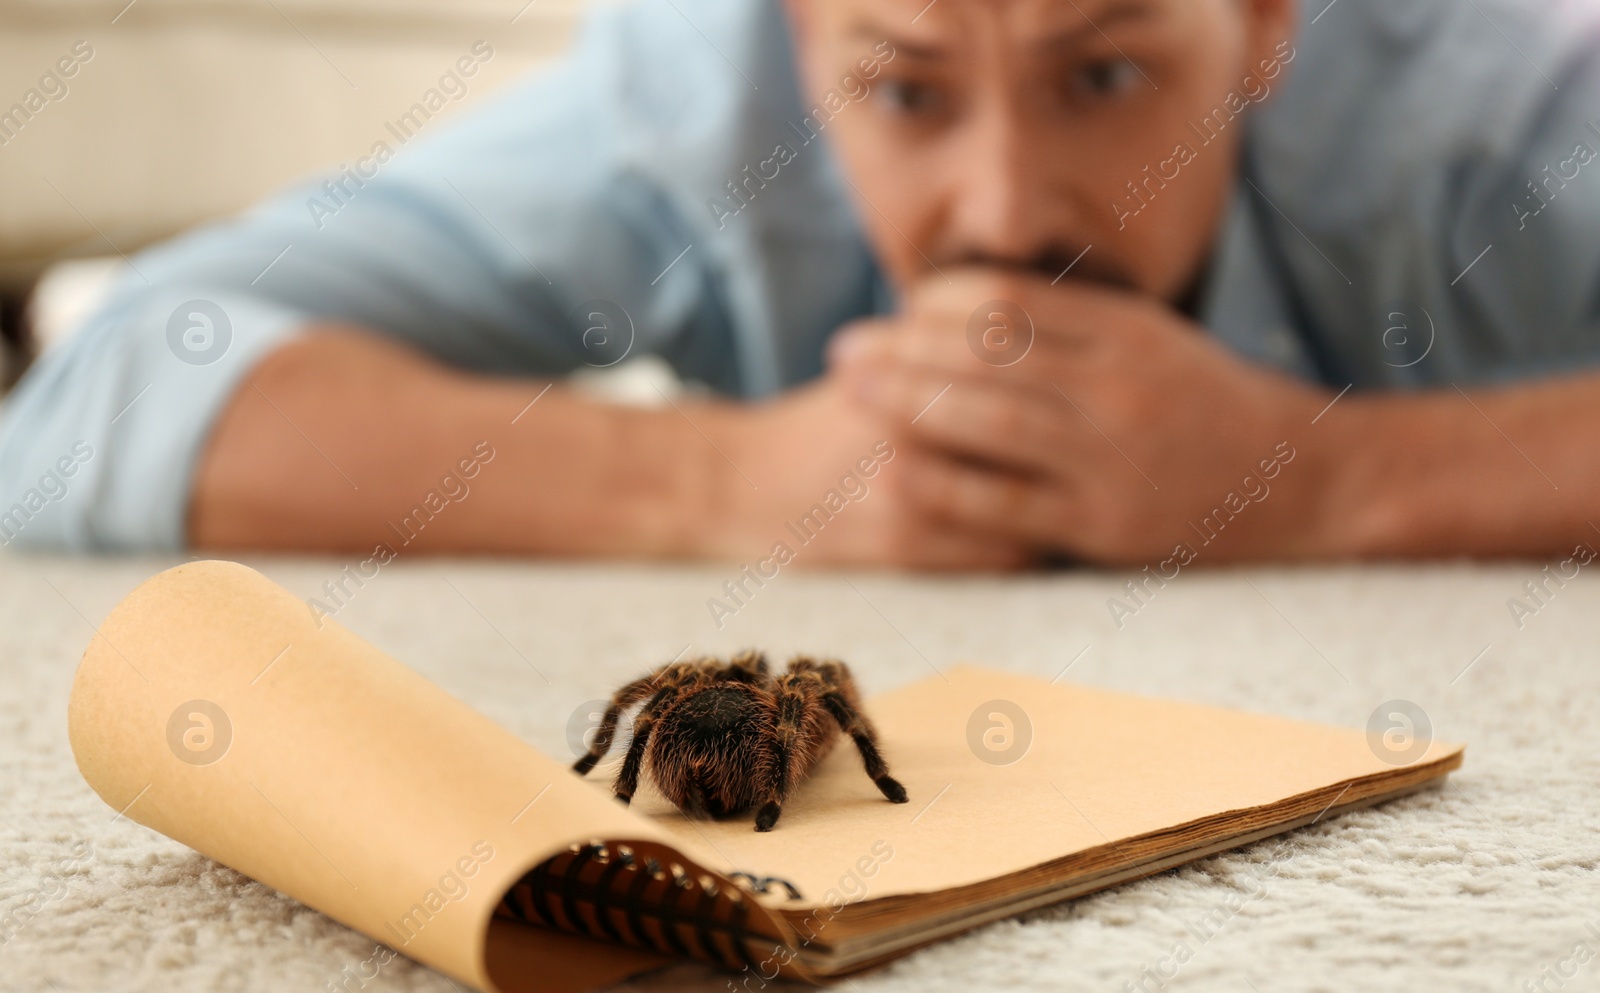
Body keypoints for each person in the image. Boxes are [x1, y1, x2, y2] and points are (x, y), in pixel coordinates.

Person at [3, 0, 1599, 567]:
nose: (1003, 204)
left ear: (1262, 24)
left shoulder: (1497, 112)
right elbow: (99, 399)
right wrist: (728, 487)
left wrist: (1316, 491)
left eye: (1103, 78)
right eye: (905, 90)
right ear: (795, 35)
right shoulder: (697, 112)